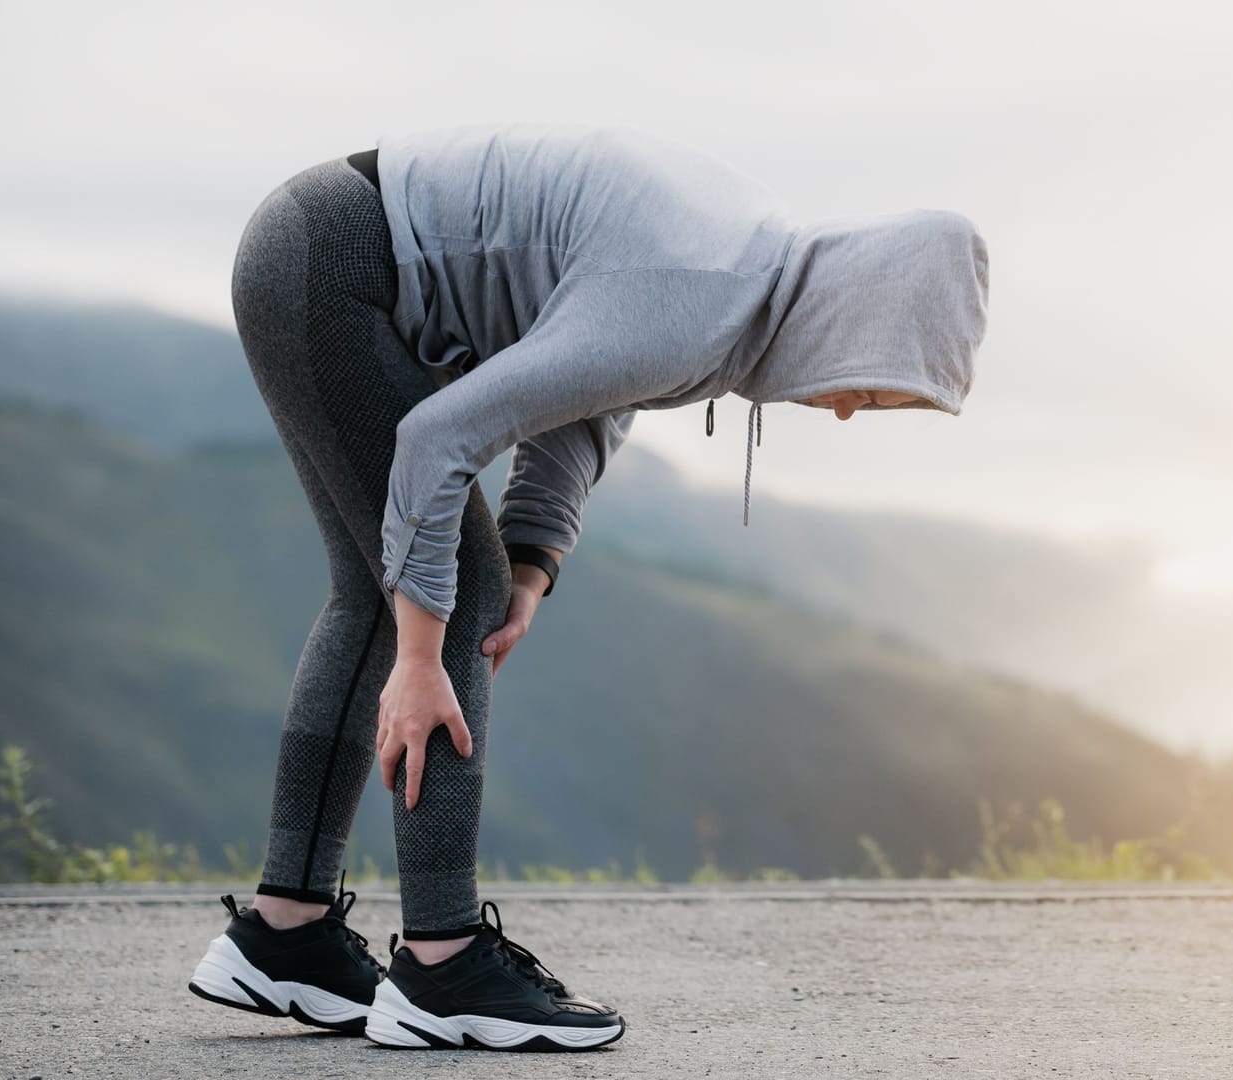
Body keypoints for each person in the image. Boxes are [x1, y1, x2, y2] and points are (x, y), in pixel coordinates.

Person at [184, 122, 992, 1052]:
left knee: (393, 586)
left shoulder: (743, 276)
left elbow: (586, 395)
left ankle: (284, 936)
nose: (850, 409)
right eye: (877, 385)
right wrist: (420, 656)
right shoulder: (703, 295)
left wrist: (532, 558)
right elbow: (437, 443)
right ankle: (443, 969)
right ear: (862, 311)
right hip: (335, 261)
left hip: (316, 243)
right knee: (442, 593)